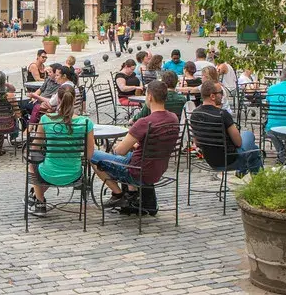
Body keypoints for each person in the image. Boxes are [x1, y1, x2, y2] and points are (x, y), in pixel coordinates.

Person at [92, 80, 180, 210]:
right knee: (129, 152)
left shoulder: (145, 122)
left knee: (91, 153)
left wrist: (117, 146)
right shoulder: (173, 118)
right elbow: (155, 144)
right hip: (158, 169)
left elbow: (119, 151)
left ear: (149, 97)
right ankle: (131, 194)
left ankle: (119, 195)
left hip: (137, 172)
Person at [27, 84, 95, 217]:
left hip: (48, 173)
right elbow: (89, 155)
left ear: (57, 99)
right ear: (75, 100)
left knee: (32, 161)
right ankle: (35, 196)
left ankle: (40, 203)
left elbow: (35, 147)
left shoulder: (46, 119)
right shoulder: (86, 123)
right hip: (74, 174)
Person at [189, 80, 263, 181]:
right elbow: (238, 142)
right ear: (212, 96)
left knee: (254, 150)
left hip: (210, 160)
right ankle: (251, 178)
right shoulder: (222, 114)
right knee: (249, 135)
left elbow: (197, 143)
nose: (223, 96)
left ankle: (245, 174)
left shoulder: (194, 114)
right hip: (230, 160)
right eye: (221, 93)